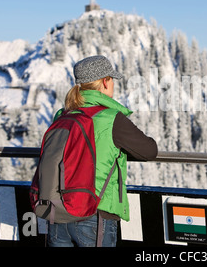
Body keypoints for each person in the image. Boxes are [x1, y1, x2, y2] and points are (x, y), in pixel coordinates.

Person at [47, 55, 158, 247]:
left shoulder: (62, 114)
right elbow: (149, 150)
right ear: (105, 82)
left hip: (58, 213)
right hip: (95, 216)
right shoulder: (111, 118)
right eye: (112, 80)